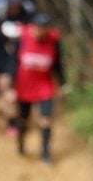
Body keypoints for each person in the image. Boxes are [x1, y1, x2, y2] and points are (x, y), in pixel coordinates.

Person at [11, 13, 65, 164]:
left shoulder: (53, 42)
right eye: (37, 27)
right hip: (24, 85)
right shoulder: (22, 39)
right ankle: (21, 143)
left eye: (43, 28)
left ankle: (45, 153)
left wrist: (62, 84)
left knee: (46, 120)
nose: (39, 31)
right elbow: (13, 62)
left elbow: (57, 64)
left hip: (44, 85)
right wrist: (10, 87)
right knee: (24, 119)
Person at [0, 0, 37, 115]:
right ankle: (11, 121)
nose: (14, 6)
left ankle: (23, 116)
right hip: (3, 55)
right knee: (4, 84)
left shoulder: (28, 13)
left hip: (23, 56)